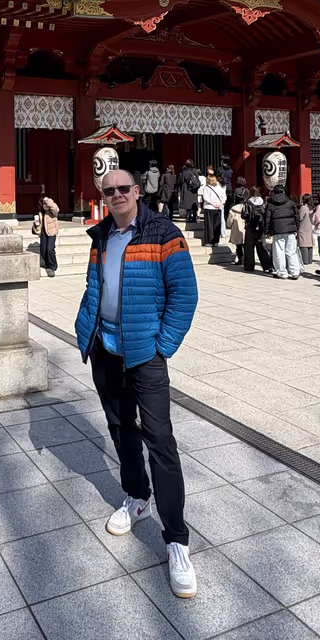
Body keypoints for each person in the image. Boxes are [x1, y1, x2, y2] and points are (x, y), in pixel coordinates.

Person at [74, 169, 199, 598]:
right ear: (102, 195)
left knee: (159, 439)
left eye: (124, 188)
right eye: (108, 190)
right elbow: (96, 286)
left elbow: (185, 294)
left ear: (137, 191)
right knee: (120, 427)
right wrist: (84, 326)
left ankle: (177, 539)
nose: (117, 195)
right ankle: (136, 495)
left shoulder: (163, 233)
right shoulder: (101, 235)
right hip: (106, 350)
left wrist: (162, 344)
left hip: (145, 354)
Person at [264, 185, 300, 279]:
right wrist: (297, 227)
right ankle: (295, 271)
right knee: (291, 251)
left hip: (277, 230)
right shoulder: (291, 203)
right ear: (283, 192)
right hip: (290, 230)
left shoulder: (270, 204)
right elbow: (297, 216)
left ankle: (281, 272)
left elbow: (267, 219)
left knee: (279, 251)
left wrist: (267, 231)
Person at [242, 186, 273, 273]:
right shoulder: (263, 203)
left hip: (250, 226)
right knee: (261, 247)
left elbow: (244, 215)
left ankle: (249, 266)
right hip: (260, 227)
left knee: (249, 248)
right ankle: (266, 266)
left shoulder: (247, 203)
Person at [199, 172, 227, 247]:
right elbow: (224, 197)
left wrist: (212, 204)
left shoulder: (206, 188)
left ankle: (209, 241)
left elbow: (205, 198)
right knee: (216, 225)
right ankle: (216, 241)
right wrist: (221, 203)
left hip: (209, 208)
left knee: (209, 225)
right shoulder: (220, 188)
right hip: (218, 208)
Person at [38, 195, 59, 277]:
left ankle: (52, 266)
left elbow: (56, 209)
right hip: (43, 232)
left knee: (50, 249)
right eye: (43, 203)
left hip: (51, 231)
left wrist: (48, 200)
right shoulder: (41, 212)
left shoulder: (52, 211)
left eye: (46, 203)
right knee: (43, 250)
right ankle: (47, 264)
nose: (45, 205)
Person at [225, 191, 246, 266]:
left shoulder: (233, 209)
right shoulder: (246, 207)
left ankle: (241, 259)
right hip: (245, 228)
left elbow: (230, 220)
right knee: (245, 245)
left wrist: (229, 225)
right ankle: (247, 259)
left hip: (236, 228)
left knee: (238, 245)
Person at [298, 194, 315, 266]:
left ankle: (304, 260)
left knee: (303, 244)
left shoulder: (303, 208)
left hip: (303, 227)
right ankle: (309, 259)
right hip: (309, 227)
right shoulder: (312, 208)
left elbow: (300, 217)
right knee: (309, 244)